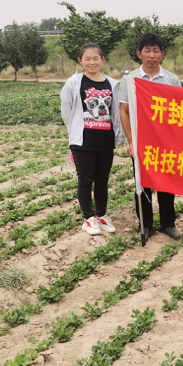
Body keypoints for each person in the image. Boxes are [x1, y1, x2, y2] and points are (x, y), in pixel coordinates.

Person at [118, 32, 183, 241]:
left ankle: (168, 223)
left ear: (162, 54)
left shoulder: (172, 79)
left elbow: (180, 111)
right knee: (142, 182)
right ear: (139, 53)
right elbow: (124, 111)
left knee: (166, 184)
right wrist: (131, 141)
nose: (152, 55)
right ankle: (144, 225)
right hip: (141, 141)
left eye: (156, 51)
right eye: (147, 50)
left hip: (166, 141)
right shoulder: (130, 80)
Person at [60, 43, 124, 235]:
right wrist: (73, 134)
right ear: (80, 61)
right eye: (87, 59)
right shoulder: (74, 82)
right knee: (85, 180)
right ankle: (88, 217)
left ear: (103, 60)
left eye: (96, 58)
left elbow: (116, 113)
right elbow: (67, 110)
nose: (92, 62)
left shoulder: (112, 84)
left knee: (102, 180)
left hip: (105, 140)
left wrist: (118, 137)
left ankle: (102, 215)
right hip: (83, 142)